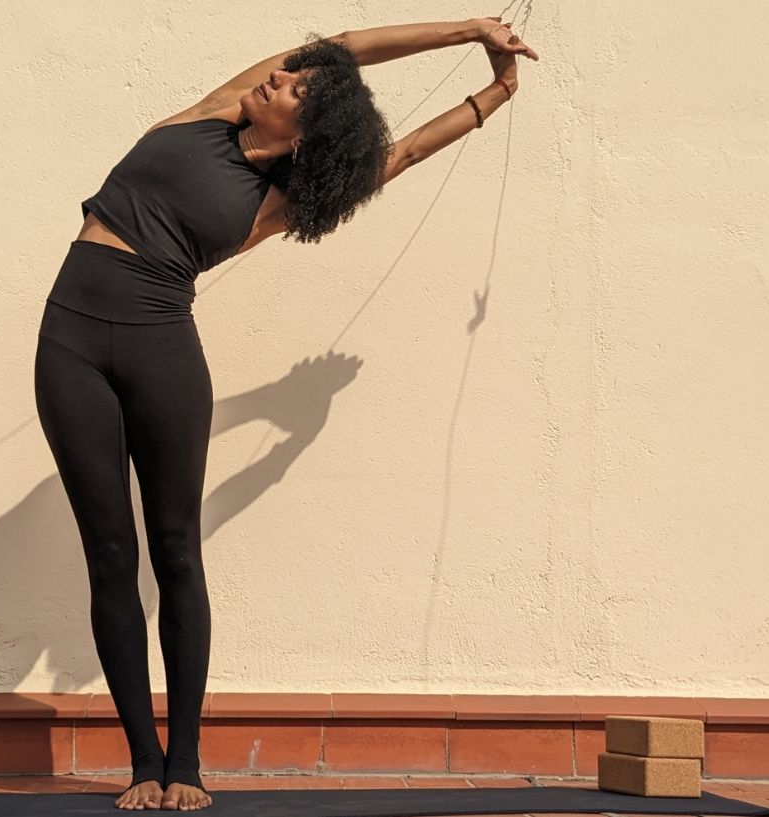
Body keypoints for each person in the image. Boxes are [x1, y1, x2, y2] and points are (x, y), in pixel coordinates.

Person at [33, 16, 538, 811]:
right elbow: (345, 46)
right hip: (69, 339)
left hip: (162, 349)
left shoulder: (275, 203)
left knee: (175, 546)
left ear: (306, 134)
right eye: (289, 75)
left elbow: (400, 154)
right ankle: (141, 761)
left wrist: (496, 94)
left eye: (297, 90)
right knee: (107, 549)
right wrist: (470, 28)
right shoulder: (215, 109)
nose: (281, 78)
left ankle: (186, 763)